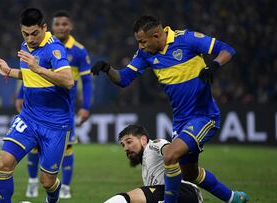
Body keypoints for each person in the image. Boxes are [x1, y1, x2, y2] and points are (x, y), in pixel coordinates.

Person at [92, 15, 249, 203]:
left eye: (142, 41)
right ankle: (233, 198)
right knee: (189, 173)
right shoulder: (145, 55)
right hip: (180, 121)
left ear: (157, 35)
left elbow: (227, 50)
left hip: (204, 116)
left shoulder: (187, 39)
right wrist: (108, 69)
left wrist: (214, 65)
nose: (140, 46)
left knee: (170, 154)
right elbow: (124, 79)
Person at [0, 8, 74, 203]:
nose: (30, 39)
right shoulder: (25, 46)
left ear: (44, 27)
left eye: (34, 33)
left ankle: (53, 199)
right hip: (29, 117)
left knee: (47, 181)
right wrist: (9, 71)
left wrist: (37, 67)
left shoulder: (54, 49)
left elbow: (68, 81)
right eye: (25, 34)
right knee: (4, 163)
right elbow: (31, 75)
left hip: (54, 125)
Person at [15, 10, 93, 199]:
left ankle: (64, 186)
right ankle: (33, 182)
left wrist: (86, 106)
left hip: (63, 107)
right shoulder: (36, 45)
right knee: (33, 146)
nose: (61, 28)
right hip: (38, 105)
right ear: (51, 26)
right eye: (58, 24)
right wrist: (20, 94)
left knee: (67, 148)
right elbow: (29, 74)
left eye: (64, 24)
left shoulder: (79, 51)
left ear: (70, 26)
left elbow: (87, 81)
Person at [104, 124, 203, 203]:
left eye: (129, 142)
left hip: (183, 192)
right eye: (123, 145)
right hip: (173, 195)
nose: (125, 148)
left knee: (127, 198)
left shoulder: (153, 145)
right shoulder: (146, 162)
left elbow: (170, 152)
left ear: (143, 140)